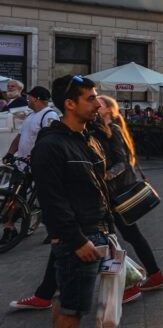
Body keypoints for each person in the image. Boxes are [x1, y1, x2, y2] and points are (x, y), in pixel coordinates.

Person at [31, 75, 112, 327]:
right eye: (90, 99)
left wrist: (109, 232)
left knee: (69, 303)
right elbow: (52, 201)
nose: (98, 105)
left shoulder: (89, 139)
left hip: (95, 234)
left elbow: (100, 189)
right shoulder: (51, 145)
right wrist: (77, 240)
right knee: (72, 310)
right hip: (78, 240)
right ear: (70, 104)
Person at [94, 95, 163, 300]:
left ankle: (132, 284)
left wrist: (104, 175)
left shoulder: (114, 130)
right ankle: (153, 275)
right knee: (126, 236)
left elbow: (123, 163)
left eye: (99, 103)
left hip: (115, 193)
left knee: (116, 239)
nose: (95, 105)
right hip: (109, 193)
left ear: (108, 109)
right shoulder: (99, 130)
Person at [2, 87, 59, 248]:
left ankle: (54, 229)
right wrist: (10, 153)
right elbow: (20, 137)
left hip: (40, 165)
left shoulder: (50, 116)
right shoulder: (31, 116)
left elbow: (50, 141)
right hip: (22, 165)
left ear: (36, 99)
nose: (27, 100)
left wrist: (35, 155)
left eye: (29, 97)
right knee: (14, 196)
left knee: (47, 199)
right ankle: (10, 227)